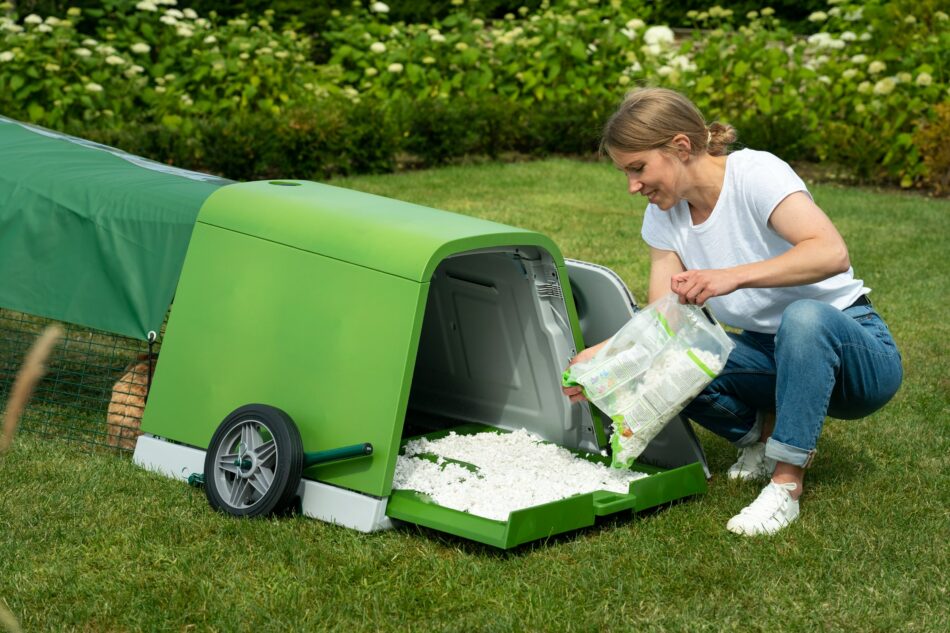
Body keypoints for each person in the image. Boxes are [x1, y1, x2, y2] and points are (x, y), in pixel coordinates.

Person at [562, 87, 903, 536]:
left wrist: (731, 276)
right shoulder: (663, 216)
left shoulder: (756, 174)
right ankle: (759, 438)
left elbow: (831, 252)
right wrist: (605, 359)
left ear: (680, 147)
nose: (632, 186)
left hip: (853, 352)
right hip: (768, 358)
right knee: (672, 357)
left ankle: (786, 486)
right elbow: (664, 317)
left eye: (638, 168)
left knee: (803, 317)